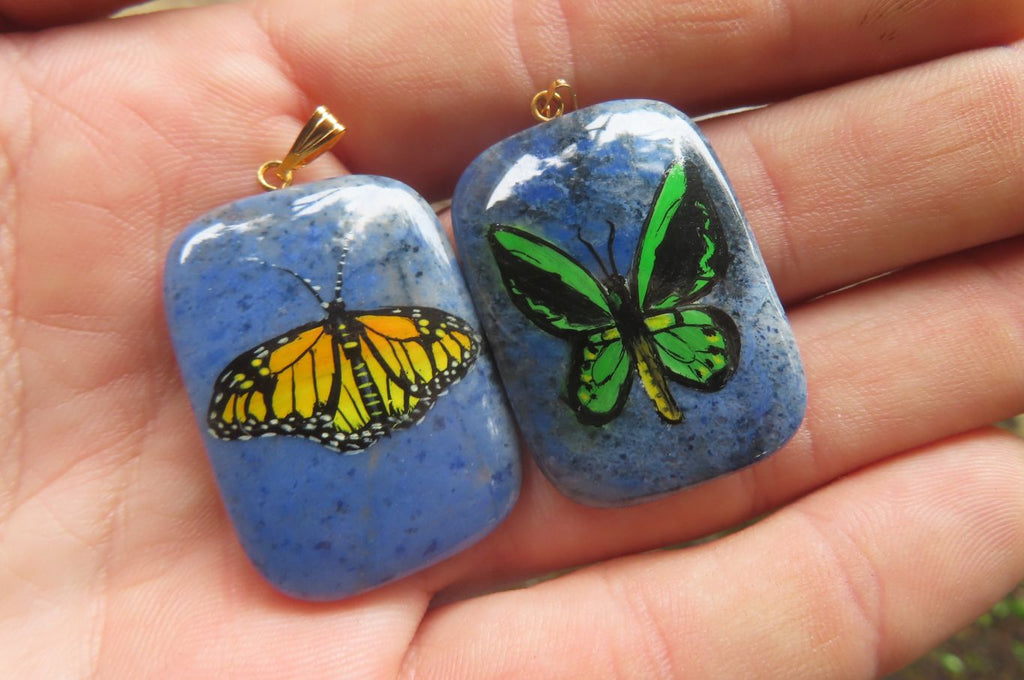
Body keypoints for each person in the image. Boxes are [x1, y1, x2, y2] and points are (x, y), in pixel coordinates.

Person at [1, 0, 1022, 677]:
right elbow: (427, 347)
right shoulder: (380, 278)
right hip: (472, 388)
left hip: (595, 357)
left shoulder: (448, 260)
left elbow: (454, 338)